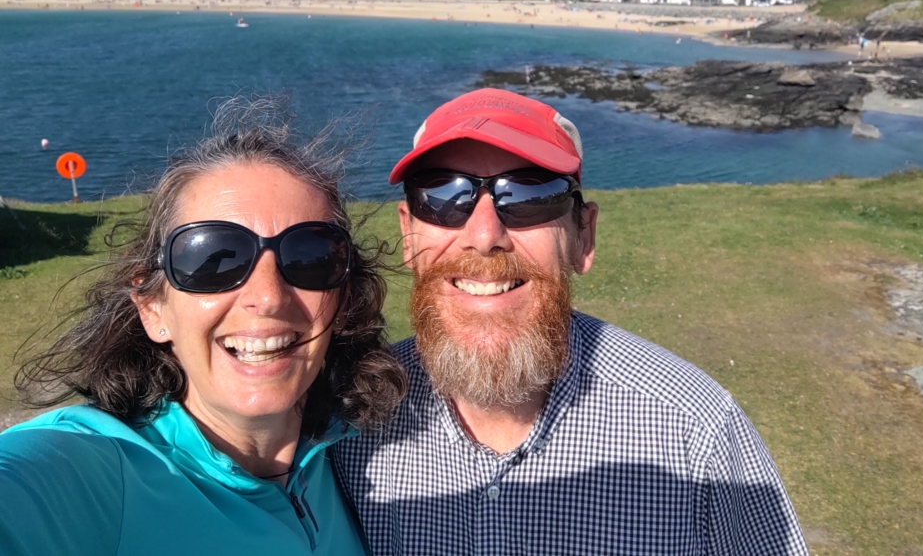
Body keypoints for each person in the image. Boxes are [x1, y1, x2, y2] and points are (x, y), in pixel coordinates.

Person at [333, 88, 809, 555]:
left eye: (529, 195)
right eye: (442, 195)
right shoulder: (349, 419)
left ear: (583, 235)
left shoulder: (696, 434)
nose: (483, 236)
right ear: (409, 236)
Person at [0, 96, 405, 555]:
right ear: (153, 307)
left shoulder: (350, 449)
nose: (269, 296)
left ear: (344, 297)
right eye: (213, 260)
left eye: (308, 257)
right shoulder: (95, 475)